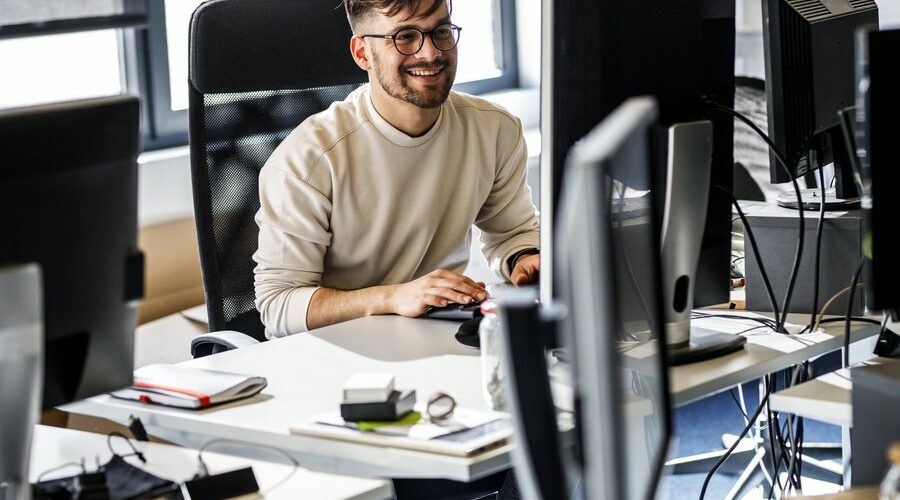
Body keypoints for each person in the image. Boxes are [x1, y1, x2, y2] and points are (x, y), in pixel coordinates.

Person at [253, 0, 540, 338]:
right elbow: (278, 305)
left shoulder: (495, 130)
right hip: (335, 355)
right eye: (405, 36)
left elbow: (512, 233)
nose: (430, 52)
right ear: (362, 53)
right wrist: (393, 297)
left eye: (441, 31)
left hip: (437, 338)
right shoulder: (308, 159)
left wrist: (525, 260)